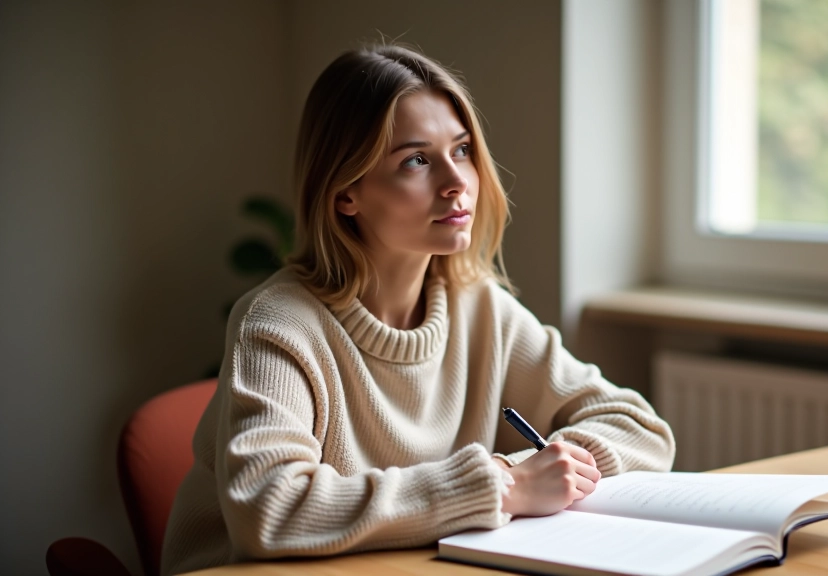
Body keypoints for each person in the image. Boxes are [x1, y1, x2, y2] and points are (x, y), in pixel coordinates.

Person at [161, 44, 675, 575]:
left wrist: (546, 467)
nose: (457, 183)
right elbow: (269, 509)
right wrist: (505, 484)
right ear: (345, 193)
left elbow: (641, 429)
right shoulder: (278, 323)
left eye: (462, 150)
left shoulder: (479, 308)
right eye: (416, 160)